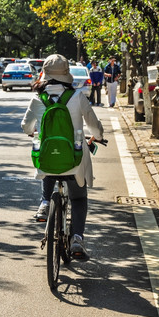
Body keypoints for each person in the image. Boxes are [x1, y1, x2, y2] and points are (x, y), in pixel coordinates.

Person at [21, 54, 104, 259]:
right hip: (74, 159)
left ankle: (44, 203)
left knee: (48, 163)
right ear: (66, 74)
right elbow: (94, 125)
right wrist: (98, 136)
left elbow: (25, 127)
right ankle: (77, 238)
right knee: (78, 199)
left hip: (47, 158)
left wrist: (34, 132)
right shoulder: (77, 97)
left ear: (45, 74)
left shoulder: (37, 98)